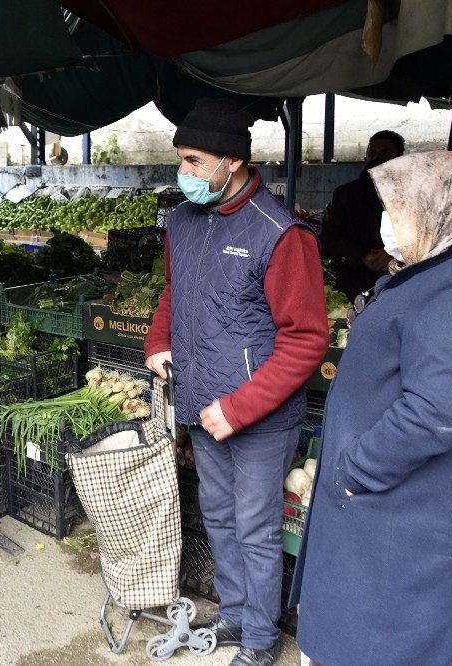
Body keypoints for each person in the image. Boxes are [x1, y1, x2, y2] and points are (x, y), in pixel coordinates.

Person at [292, 151, 452, 665]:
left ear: (441, 211)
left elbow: (432, 413)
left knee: (377, 645)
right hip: (411, 513)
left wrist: (354, 470)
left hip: (402, 522)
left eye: (398, 212)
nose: (387, 225)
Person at [144, 98, 329, 666]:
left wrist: (240, 407)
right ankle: (233, 613)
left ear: (233, 161)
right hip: (200, 402)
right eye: (180, 160)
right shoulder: (181, 221)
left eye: (195, 161)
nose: (185, 173)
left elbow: (306, 337)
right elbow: (174, 291)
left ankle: (260, 638)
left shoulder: (281, 234)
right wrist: (157, 342)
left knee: (256, 528)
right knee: (219, 517)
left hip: (257, 416)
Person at [320, 130, 405, 301]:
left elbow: (427, 235)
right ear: (365, 157)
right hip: (355, 286)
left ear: (399, 157)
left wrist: (395, 253)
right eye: (372, 152)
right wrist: (364, 257)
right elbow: (329, 238)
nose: (377, 158)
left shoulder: (412, 195)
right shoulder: (345, 195)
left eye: (385, 153)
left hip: (402, 284)